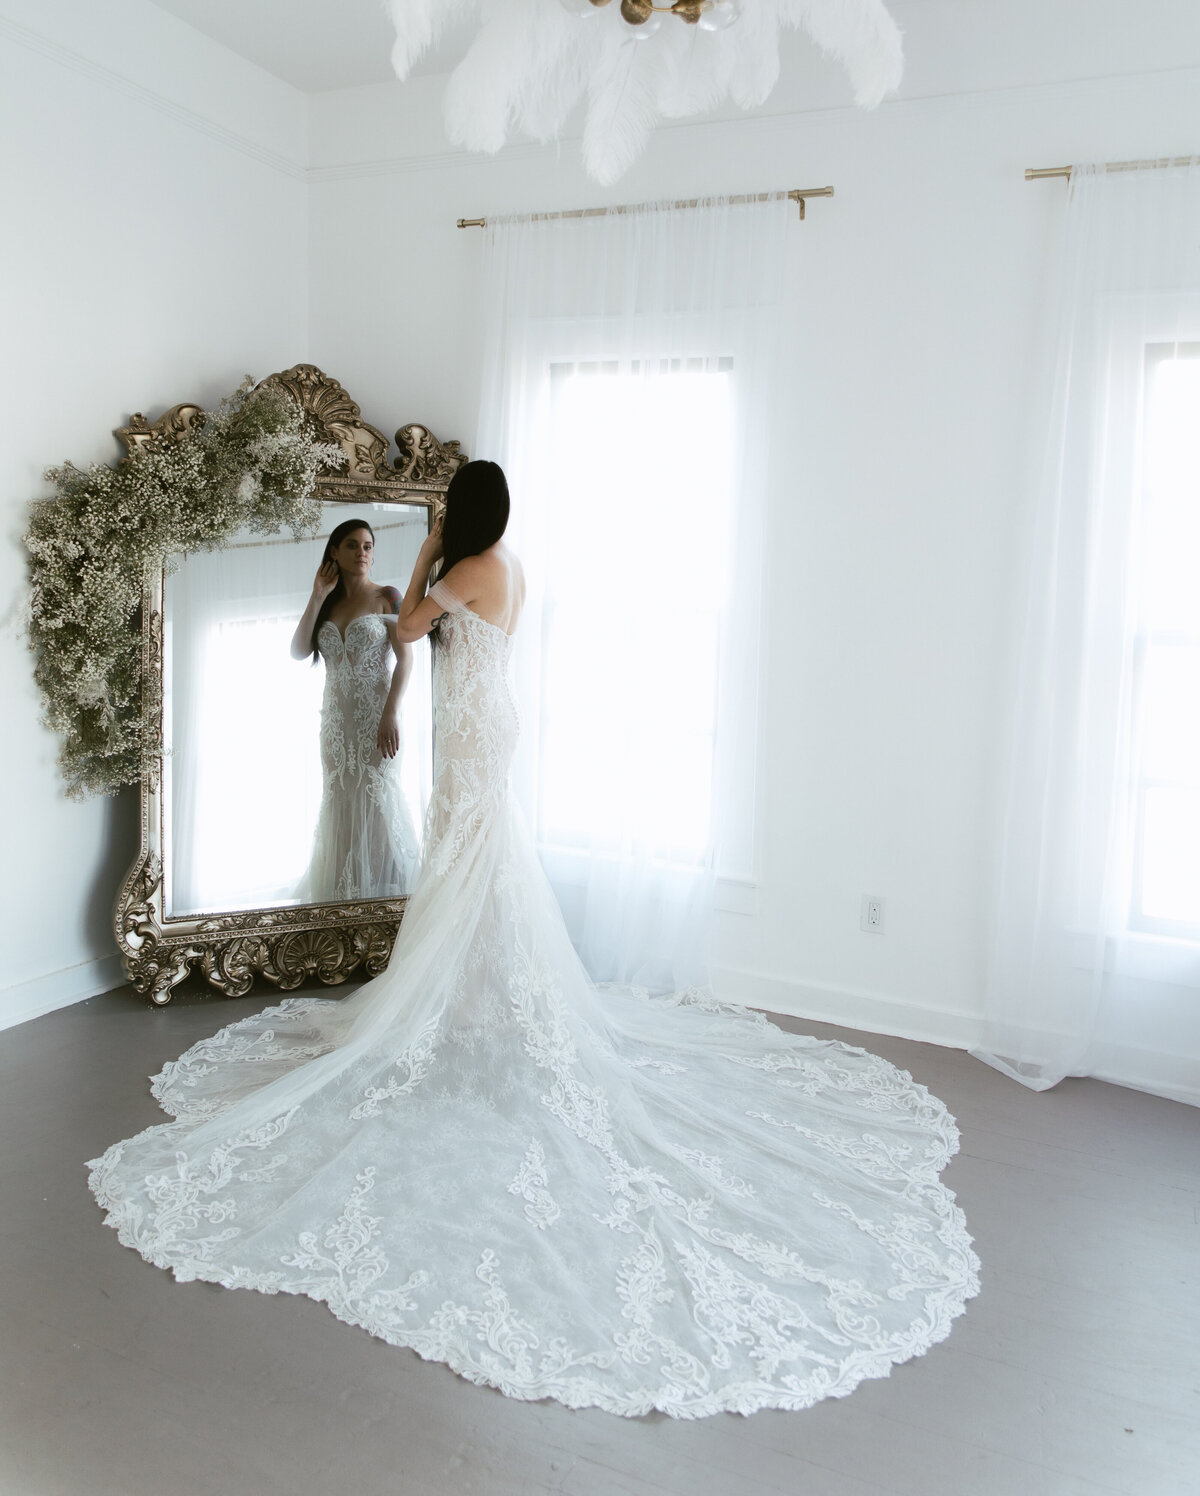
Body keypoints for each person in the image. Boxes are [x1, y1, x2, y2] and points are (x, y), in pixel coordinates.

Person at [88, 461, 979, 1419]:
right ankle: (474, 992)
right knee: (477, 858)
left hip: (473, 733)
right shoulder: (506, 562)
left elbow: (413, 629)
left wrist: (427, 552)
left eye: (445, 519)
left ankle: (462, 1000)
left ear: (461, 520)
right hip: (489, 721)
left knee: (470, 853)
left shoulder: (465, 568)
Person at [284, 516, 420, 905]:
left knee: (378, 806)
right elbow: (298, 651)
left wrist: (390, 713)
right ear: (334, 552)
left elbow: (405, 661)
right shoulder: (328, 603)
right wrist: (316, 594)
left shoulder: (387, 596)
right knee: (340, 808)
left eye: (368, 546)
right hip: (335, 729)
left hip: (377, 723)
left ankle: (385, 904)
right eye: (353, 545)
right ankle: (341, 903)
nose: (362, 553)